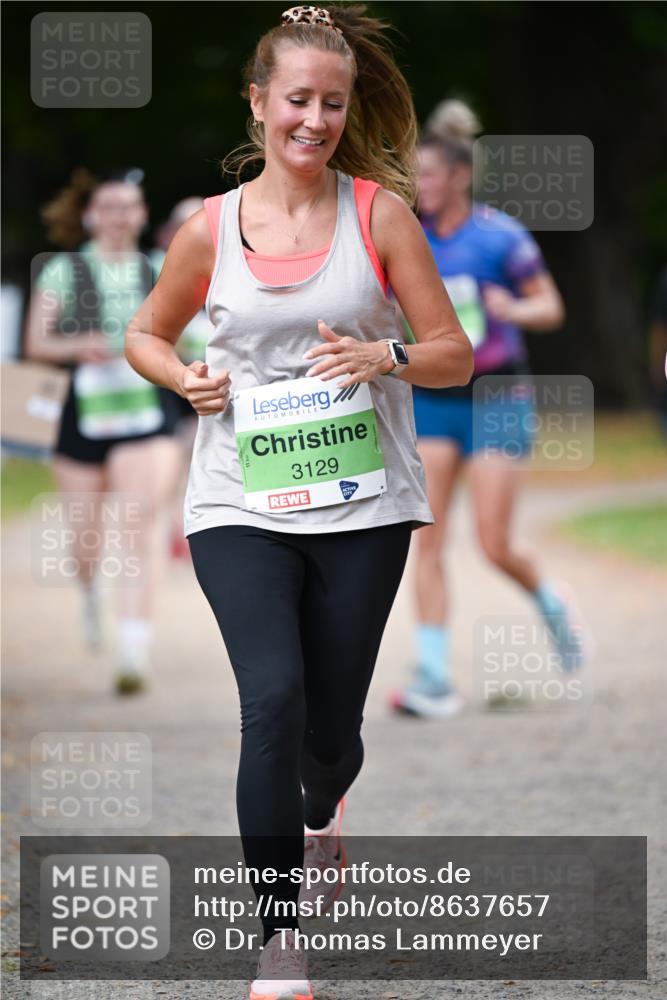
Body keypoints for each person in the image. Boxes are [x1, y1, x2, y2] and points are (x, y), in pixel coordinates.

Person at [125, 6, 472, 998]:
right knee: (270, 702)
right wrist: (180, 377)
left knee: (330, 736)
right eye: (295, 100)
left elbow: (452, 353)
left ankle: (323, 813)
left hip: (362, 506)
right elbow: (145, 334)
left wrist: (386, 352)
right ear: (257, 101)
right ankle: (277, 940)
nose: (313, 119)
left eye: (331, 101)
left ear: (345, 106)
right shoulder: (210, 225)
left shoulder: (381, 216)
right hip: (240, 499)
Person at [390, 99, 586, 721]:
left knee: (493, 543)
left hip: (499, 392)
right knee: (429, 539)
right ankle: (432, 677)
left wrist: (511, 307)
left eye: (429, 176)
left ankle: (551, 603)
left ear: (459, 177)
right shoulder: (406, 239)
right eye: (413, 176)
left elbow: (549, 307)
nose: (419, 187)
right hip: (433, 397)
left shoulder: (501, 235)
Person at [24, 168, 182, 695]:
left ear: (141, 214)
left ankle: (135, 649)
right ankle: (91, 593)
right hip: (81, 416)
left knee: (137, 525)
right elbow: (35, 344)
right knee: (85, 539)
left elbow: (192, 334)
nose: (119, 216)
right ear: (91, 215)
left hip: (147, 414)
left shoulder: (160, 269)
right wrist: (78, 346)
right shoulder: (64, 272)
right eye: (109, 206)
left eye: (129, 206)